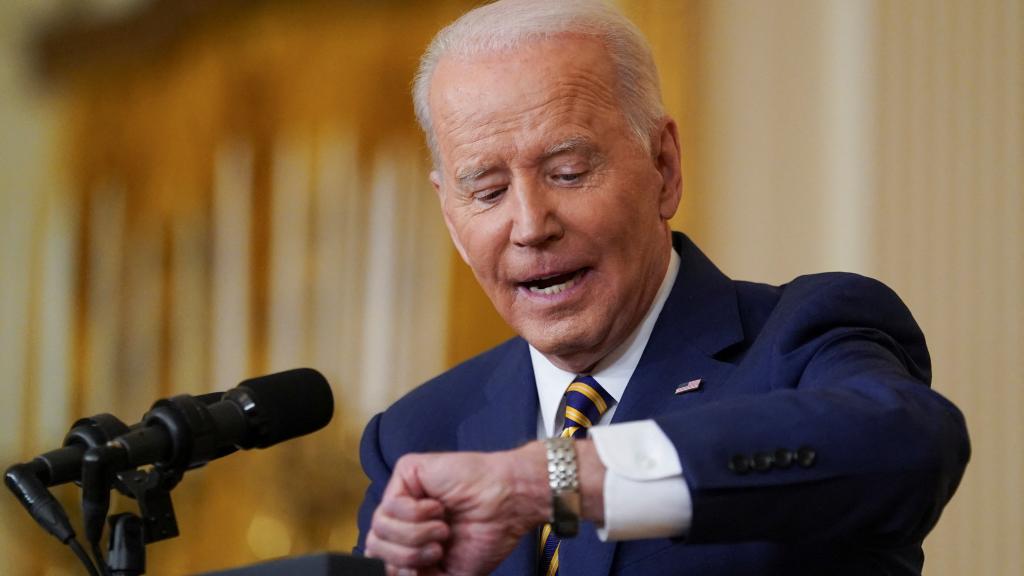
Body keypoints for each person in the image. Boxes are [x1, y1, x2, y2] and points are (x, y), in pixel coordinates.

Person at [355, 1, 970, 574]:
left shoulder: (805, 336)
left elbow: (910, 447)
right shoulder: (417, 435)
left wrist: (553, 480)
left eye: (568, 173)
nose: (530, 226)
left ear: (664, 168)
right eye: (487, 191)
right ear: (452, 221)